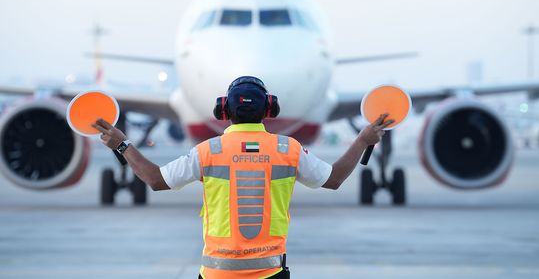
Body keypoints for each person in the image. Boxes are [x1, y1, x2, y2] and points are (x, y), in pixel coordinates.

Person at [92, 76, 394, 279]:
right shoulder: (286, 149)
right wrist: (364, 139)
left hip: (216, 274)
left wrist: (122, 143)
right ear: (269, 109)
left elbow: (156, 180)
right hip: (270, 275)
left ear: (224, 110)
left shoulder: (208, 151)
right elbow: (335, 178)